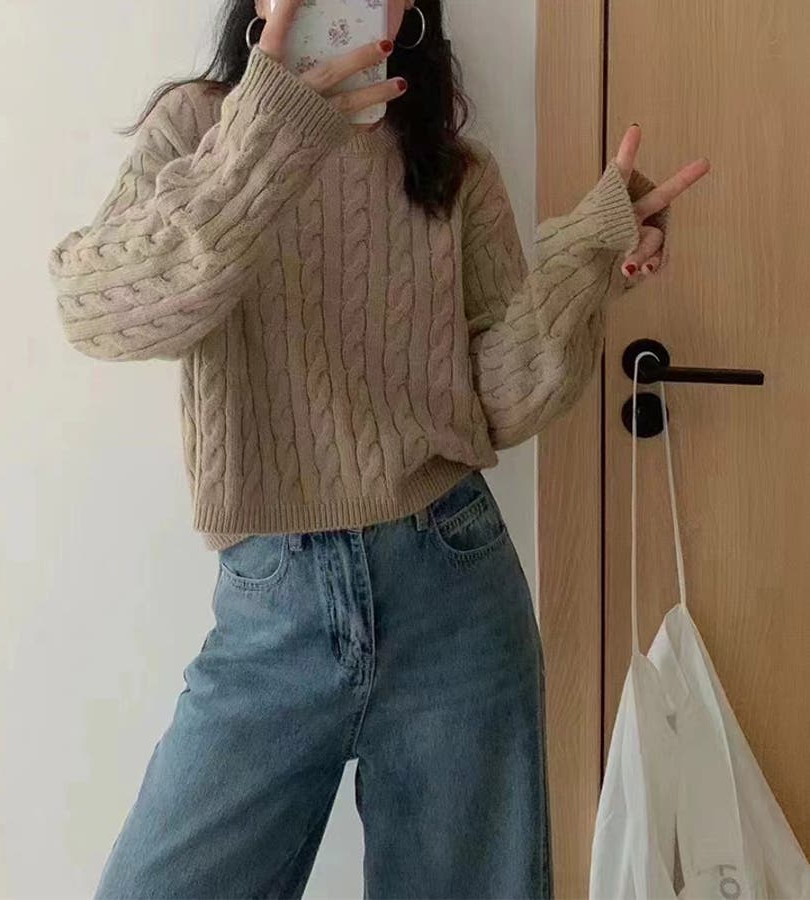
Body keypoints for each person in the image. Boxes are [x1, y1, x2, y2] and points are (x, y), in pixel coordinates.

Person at [46, 0, 709, 896]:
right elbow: (99, 313)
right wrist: (267, 130)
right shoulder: (200, 127)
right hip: (272, 606)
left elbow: (498, 404)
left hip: (452, 586)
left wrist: (584, 262)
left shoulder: (449, 165)